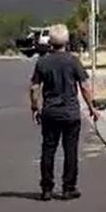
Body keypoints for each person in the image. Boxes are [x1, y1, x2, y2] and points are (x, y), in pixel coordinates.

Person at [29, 24, 99, 201]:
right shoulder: (73, 61)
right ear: (66, 41)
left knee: (48, 150)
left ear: (50, 42)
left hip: (50, 111)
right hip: (70, 112)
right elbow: (84, 86)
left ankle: (46, 188)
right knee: (70, 151)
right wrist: (91, 108)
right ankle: (68, 188)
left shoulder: (43, 62)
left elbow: (34, 88)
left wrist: (35, 108)